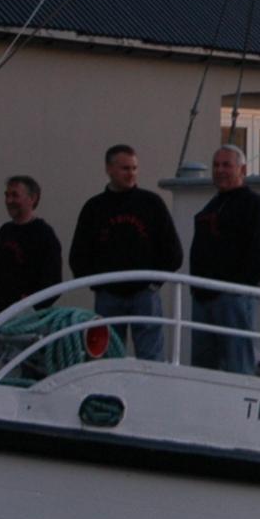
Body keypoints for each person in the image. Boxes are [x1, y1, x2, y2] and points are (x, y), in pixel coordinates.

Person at [69, 143, 182, 360]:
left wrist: (153, 283)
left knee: (150, 358)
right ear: (109, 169)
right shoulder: (94, 208)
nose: (131, 174)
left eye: (134, 168)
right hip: (108, 296)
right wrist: (98, 284)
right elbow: (80, 253)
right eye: (125, 168)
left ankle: (149, 394)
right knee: (108, 356)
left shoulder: (151, 204)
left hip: (145, 295)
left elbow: (173, 251)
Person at [187, 145, 260, 374]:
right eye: (216, 165)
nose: (220, 170)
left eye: (227, 165)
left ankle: (236, 407)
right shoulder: (214, 204)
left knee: (237, 364)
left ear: (242, 169)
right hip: (203, 297)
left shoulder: (253, 206)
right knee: (203, 367)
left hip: (232, 298)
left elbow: (259, 255)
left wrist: (237, 287)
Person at [0, 174, 63, 312]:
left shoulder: (44, 234)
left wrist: (31, 305)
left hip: (28, 317)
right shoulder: (4, 231)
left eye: (15, 195)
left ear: (32, 199)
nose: (9, 200)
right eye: (7, 195)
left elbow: (54, 282)